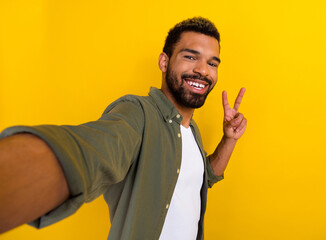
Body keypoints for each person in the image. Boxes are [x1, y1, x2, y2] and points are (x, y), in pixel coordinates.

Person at [0, 17, 247, 239]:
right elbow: (93, 152)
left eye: (212, 63)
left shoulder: (191, 129)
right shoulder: (137, 113)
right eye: (190, 57)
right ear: (164, 61)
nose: (203, 70)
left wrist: (230, 138)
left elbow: (204, 177)